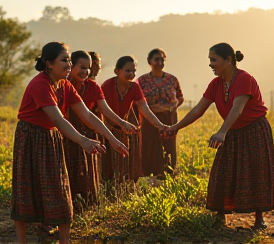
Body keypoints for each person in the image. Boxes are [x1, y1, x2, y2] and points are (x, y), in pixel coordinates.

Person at [11, 42, 128, 244]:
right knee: (26, 192)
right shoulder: (40, 84)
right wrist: (83, 141)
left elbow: (87, 115)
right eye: (64, 60)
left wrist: (112, 139)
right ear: (49, 64)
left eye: (69, 60)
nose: (69, 64)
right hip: (30, 138)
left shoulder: (65, 85)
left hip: (51, 138)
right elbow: (58, 119)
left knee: (60, 190)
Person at [165, 42, 274, 230]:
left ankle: (259, 219)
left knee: (256, 172)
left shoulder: (245, 79)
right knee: (222, 171)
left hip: (254, 129)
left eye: (214, 60)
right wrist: (176, 127)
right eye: (209, 60)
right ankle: (220, 215)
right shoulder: (216, 84)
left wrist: (221, 132)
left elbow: (237, 108)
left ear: (228, 60)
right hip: (231, 130)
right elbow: (198, 110)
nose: (210, 64)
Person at [64, 50, 138, 204]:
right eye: (81, 67)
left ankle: (86, 204)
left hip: (88, 131)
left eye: (88, 68)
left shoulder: (92, 86)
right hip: (65, 131)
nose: (85, 72)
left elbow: (104, 109)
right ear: (71, 66)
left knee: (87, 170)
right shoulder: (63, 85)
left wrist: (122, 123)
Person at [101, 56, 168, 183]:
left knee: (128, 161)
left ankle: (126, 187)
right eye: (128, 71)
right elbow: (103, 110)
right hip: (108, 126)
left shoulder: (134, 87)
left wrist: (160, 125)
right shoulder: (107, 86)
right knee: (109, 163)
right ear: (117, 71)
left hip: (124, 127)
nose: (131, 74)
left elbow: (145, 109)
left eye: (134, 71)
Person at [137, 48, 184, 178]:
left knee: (168, 146)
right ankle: (149, 176)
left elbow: (180, 98)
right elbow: (137, 100)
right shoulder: (142, 81)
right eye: (156, 59)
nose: (159, 62)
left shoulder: (172, 79)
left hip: (168, 118)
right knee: (149, 146)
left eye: (162, 59)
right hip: (149, 118)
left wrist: (170, 109)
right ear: (149, 61)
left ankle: (167, 175)